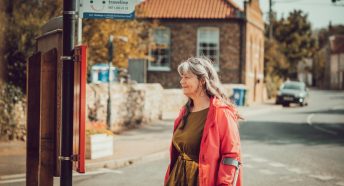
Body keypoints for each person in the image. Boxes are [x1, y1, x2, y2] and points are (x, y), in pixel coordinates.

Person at [164, 57, 242, 186]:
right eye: (182, 77)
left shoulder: (221, 112)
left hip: (203, 180)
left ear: (202, 80)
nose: (181, 81)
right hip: (177, 178)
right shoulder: (185, 112)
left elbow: (231, 156)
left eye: (187, 77)